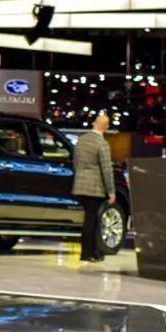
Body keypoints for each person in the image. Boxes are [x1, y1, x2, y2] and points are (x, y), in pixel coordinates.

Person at [72, 111, 116, 263]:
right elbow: (106, 169)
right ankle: (89, 253)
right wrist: (111, 191)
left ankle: (89, 251)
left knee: (88, 219)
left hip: (80, 185)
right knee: (93, 220)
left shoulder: (81, 140)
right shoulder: (102, 143)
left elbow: (75, 162)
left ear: (94, 123)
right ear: (106, 127)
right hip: (95, 188)